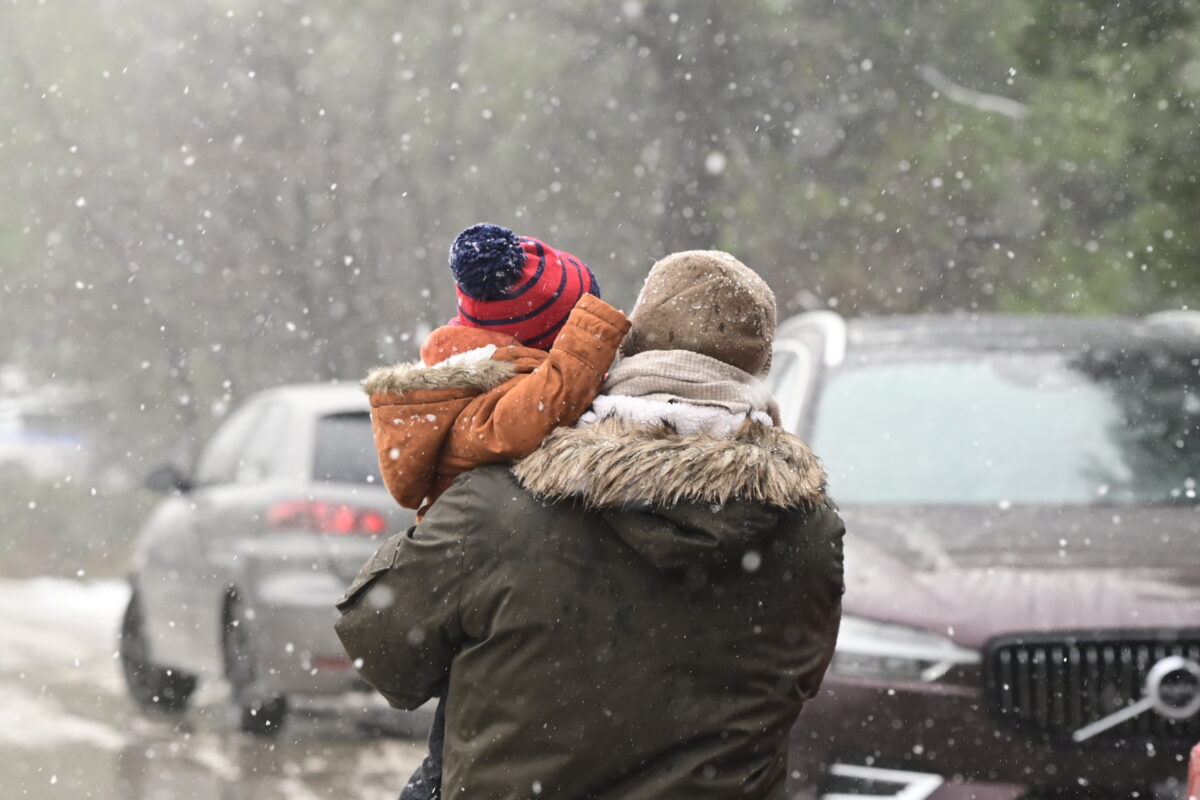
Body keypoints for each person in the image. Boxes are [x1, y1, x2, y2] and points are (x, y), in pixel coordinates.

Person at [337, 250, 844, 800]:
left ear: (630, 346)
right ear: (757, 367)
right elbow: (800, 681)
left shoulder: (498, 506)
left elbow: (383, 654)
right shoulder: (807, 534)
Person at [359, 222, 631, 798]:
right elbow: (534, 413)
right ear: (546, 342)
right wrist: (593, 335)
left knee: (456, 747)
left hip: (485, 608)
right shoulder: (494, 408)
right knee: (450, 760)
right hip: (494, 605)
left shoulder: (479, 380)